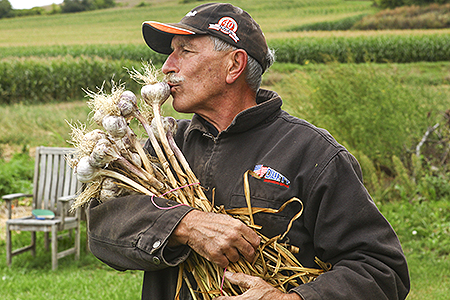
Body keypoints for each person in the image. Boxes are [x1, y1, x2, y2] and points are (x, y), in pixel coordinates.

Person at [87, 3, 410, 300]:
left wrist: (289, 299)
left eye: (184, 51)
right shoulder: (165, 146)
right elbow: (101, 227)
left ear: (234, 65)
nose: (167, 67)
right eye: (171, 53)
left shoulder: (312, 153)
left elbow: (382, 270)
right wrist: (186, 224)